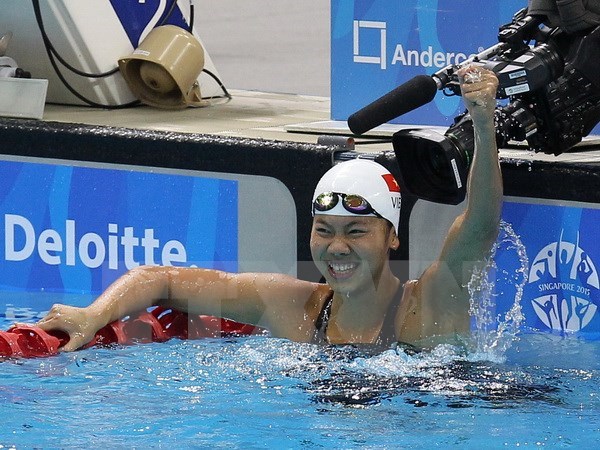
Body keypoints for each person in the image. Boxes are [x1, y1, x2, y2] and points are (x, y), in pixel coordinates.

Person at [37, 66, 502, 352]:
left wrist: (483, 122)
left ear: (392, 236)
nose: (336, 248)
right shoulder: (294, 306)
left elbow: (480, 221)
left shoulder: (432, 304)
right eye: (324, 229)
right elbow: (159, 279)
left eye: (356, 231)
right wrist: (92, 315)